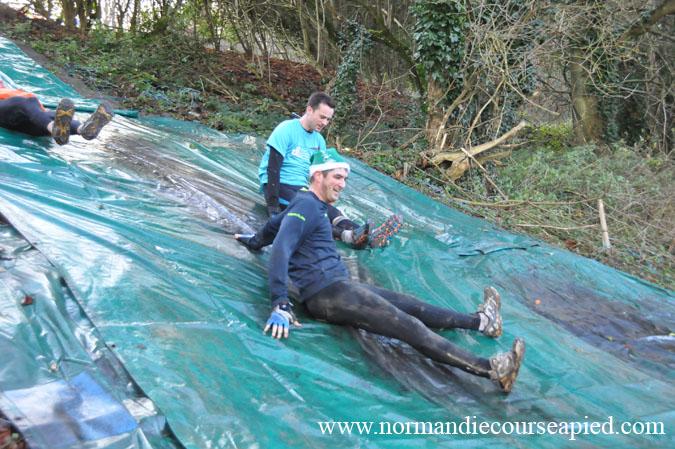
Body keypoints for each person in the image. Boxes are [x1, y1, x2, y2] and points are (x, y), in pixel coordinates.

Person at [236, 148, 525, 393]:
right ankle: (491, 370)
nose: (342, 184)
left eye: (344, 178)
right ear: (317, 176)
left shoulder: (310, 205)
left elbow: (273, 227)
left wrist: (253, 241)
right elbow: (282, 247)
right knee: (407, 325)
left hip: (340, 286)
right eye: (337, 177)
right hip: (327, 293)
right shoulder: (307, 207)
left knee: (414, 306)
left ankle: (482, 322)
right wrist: (280, 302)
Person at [258, 91, 401, 249]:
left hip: (301, 188)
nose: (325, 123)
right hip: (279, 184)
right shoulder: (286, 129)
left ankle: (369, 236)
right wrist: (273, 207)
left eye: (328, 119)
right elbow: (273, 168)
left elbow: (320, 175)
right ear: (309, 110)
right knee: (312, 210)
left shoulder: (319, 141)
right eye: (322, 117)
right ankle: (348, 237)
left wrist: (325, 198)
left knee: (331, 211)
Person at [0, 80, 113, 145]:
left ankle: (83, 129)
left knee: (51, 115)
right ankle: (55, 128)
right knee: (24, 102)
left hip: (23, 123)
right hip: (10, 112)